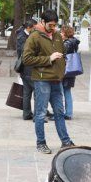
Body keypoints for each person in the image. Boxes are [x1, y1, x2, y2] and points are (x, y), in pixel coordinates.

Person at [21, 9, 74, 154]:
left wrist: (62, 67)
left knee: (59, 112)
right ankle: (41, 143)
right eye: (50, 25)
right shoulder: (35, 37)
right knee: (40, 113)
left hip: (57, 80)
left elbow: (62, 53)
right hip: (42, 80)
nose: (53, 28)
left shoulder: (57, 35)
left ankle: (66, 141)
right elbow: (26, 59)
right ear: (42, 22)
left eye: (55, 25)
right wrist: (48, 59)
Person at [16, 19, 37, 120]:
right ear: (29, 28)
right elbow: (25, 52)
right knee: (35, 93)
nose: (35, 29)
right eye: (34, 28)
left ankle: (27, 114)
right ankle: (36, 115)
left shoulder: (23, 36)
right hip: (28, 69)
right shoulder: (22, 37)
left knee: (27, 93)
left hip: (26, 69)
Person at [61, 24, 80, 120]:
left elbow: (62, 55)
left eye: (62, 32)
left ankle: (65, 113)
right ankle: (69, 112)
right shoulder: (74, 42)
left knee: (61, 91)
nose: (61, 34)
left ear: (65, 33)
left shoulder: (67, 43)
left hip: (65, 70)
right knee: (67, 91)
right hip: (71, 70)